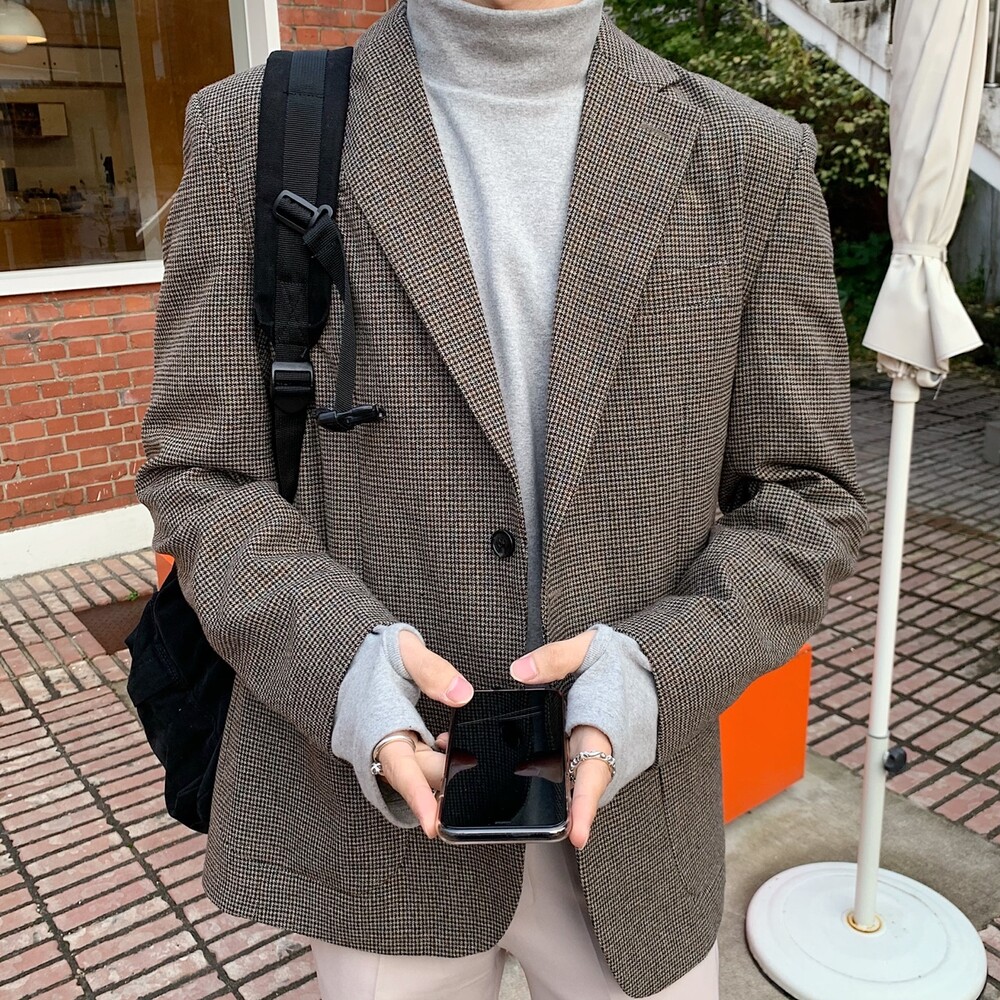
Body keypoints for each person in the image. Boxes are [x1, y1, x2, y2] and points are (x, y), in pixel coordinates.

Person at [135, 0, 867, 995]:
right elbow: (203, 469)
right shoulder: (256, 127)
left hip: (636, 834)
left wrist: (653, 672)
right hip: (372, 824)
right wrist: (342, 668)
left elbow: (807, 498)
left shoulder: (752, 158)